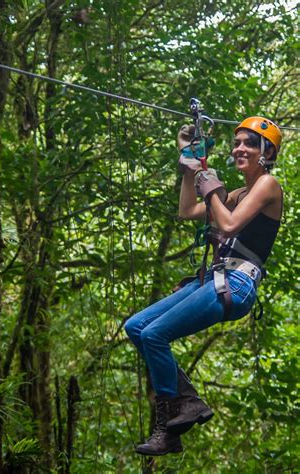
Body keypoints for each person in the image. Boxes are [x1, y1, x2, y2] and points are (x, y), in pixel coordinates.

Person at [124, 117, 283, 456]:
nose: (239, 147)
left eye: (248, 144)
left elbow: (228, 223)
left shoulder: (268, 186)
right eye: (237, 142)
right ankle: (189, 402)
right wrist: (189, 165)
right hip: (216, 278)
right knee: (136, 327)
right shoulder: (239, 192)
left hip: (237, 284)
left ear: (266, 152)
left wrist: (211, 188)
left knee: (155, 335)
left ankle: (169, 427)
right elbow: (187, 211)